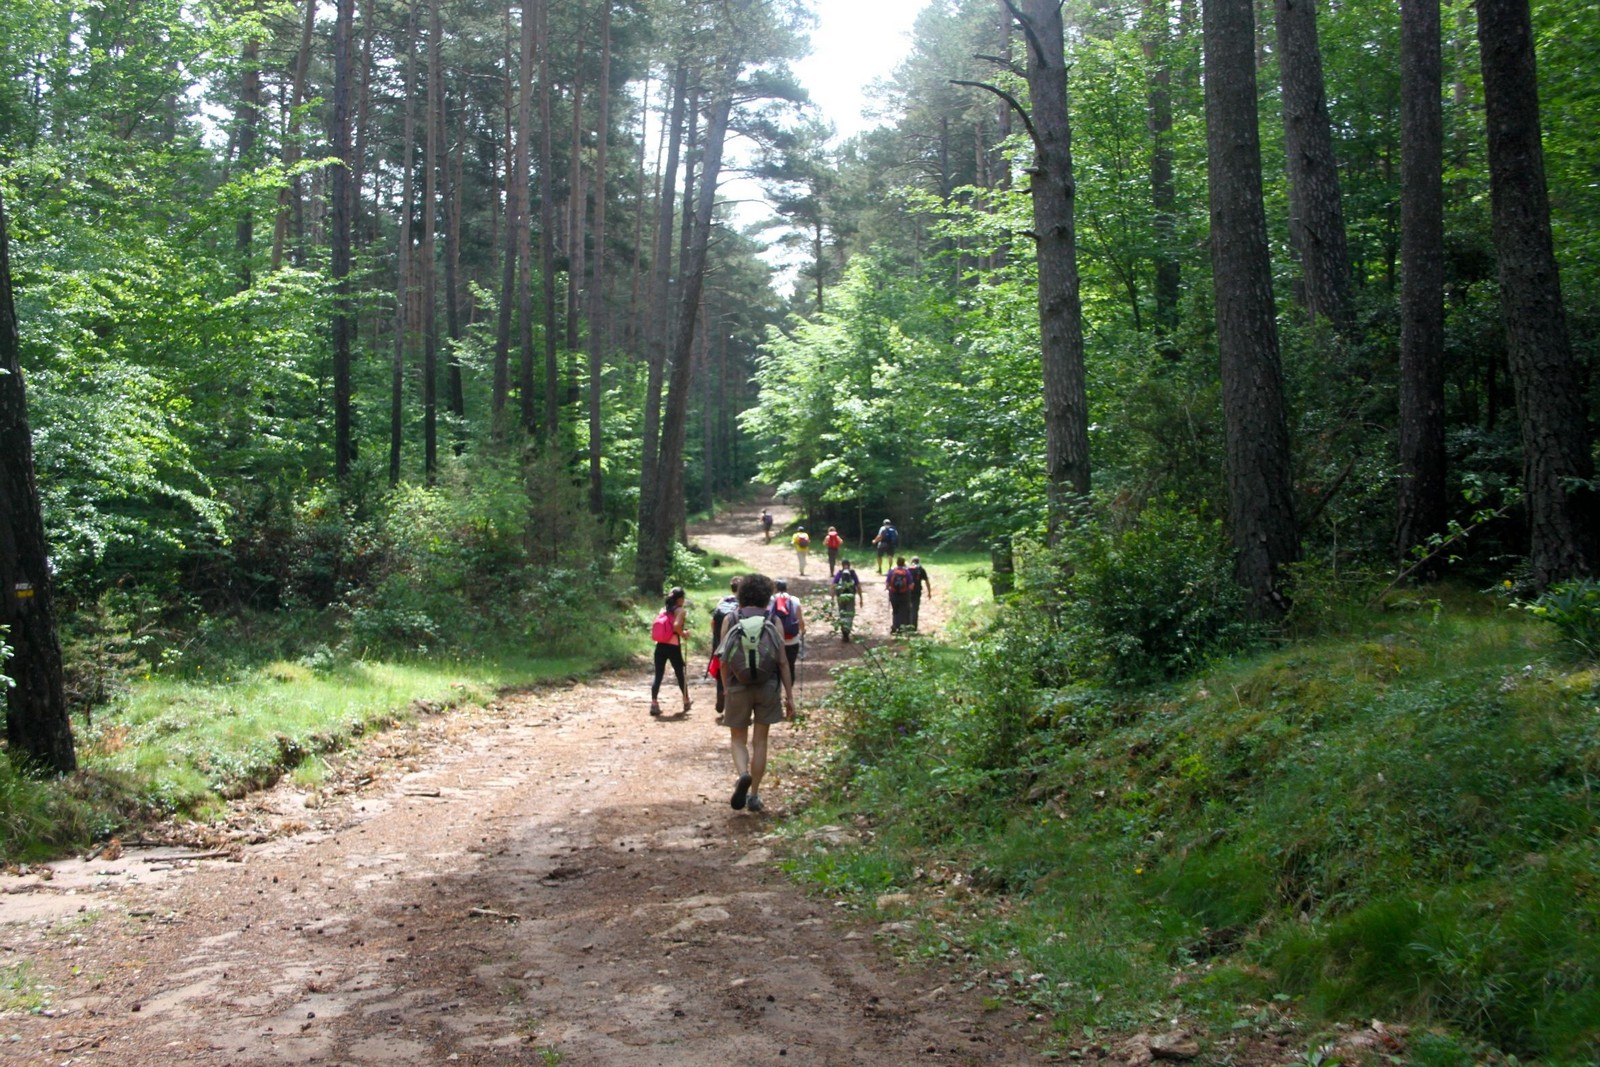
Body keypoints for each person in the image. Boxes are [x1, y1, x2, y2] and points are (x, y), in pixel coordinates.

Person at [718, 573, 795, 813]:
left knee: (738, 739)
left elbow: (723, 660)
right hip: (767, 686)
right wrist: (789, 696)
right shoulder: (774, 620)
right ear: (766, 596)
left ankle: (743, 773)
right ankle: (754, 795)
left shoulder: (731, 619)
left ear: (741, 595)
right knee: (760, 742)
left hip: (737, 686)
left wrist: (725, 689)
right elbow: (783, 662)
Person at [649, 587, 692, 716]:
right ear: (680, 599)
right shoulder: (680, 611)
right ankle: (686, 700)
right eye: (683, 598)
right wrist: (683, 634)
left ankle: (654, 703)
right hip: (673, 646)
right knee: (680, 673)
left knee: (658, 675)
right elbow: (676, 626)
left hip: (660, 645)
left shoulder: (663, 610)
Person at [708, 577, 742, 723]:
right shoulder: (743, 604)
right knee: (735, 675)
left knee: (721, 673)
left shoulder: (722, 601)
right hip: (736, 646)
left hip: (719, 644)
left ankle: (720, 696)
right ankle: (732, 706)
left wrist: (717, 638)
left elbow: (712, 623)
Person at [767, 578, 805, 679]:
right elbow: (800, 620)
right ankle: (789, 687)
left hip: (775, 640)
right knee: (790, 666)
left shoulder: (770, 600)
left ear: (775, 589)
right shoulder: (795, 600)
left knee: (775, 668)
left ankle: (777, 686)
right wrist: (803, 630)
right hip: (792, 640)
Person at [832, 558, 862, 642]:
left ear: (842, 565)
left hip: (840, 597)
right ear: (849, 565)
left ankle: (843, 631)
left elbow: (834, 586)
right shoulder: (852, 573)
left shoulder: (839, 573)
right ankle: (847, 631)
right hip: (850, 597)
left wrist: (832, 598)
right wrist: (861, 598)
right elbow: (858, 586)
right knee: (850, 614)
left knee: (842, 614)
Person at [885, 556, 915, 634]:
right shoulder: (907, 572)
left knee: (895, 610)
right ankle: (901, 627)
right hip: (904, 594)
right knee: (903, 611)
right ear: (904, 563)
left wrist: (889, 589)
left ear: (897, 562)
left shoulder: (892, 571)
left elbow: (887, 584)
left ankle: (895, 625)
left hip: (893, 594)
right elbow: (911, 585)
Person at [908, 555, 934, 632]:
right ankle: (913, 627)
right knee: (915, 609)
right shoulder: (921, 569)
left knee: (908, 608)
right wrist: (929, 592)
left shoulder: (907, 569)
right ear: (918, 561)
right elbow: (927, 582)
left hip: (907, 591)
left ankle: (906, 626)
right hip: (917, 591)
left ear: (911, 561)